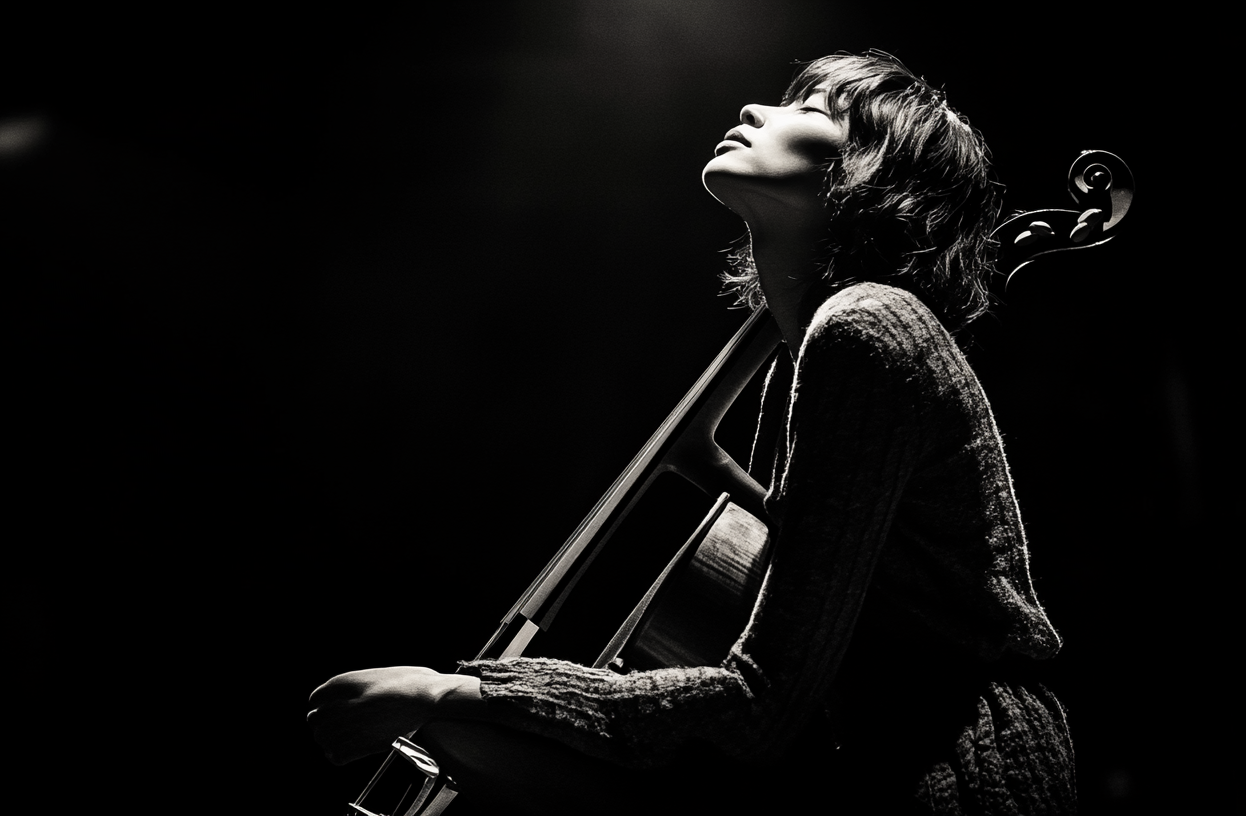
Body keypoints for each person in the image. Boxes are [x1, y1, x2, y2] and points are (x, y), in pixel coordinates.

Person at [309, 51, 1076, 814]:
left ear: (871, 168)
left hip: (961, 780)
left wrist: (462, 690)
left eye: (812, 109)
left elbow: (759, 702)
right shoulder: (815, 352)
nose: (753, 111)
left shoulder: (866, 327)